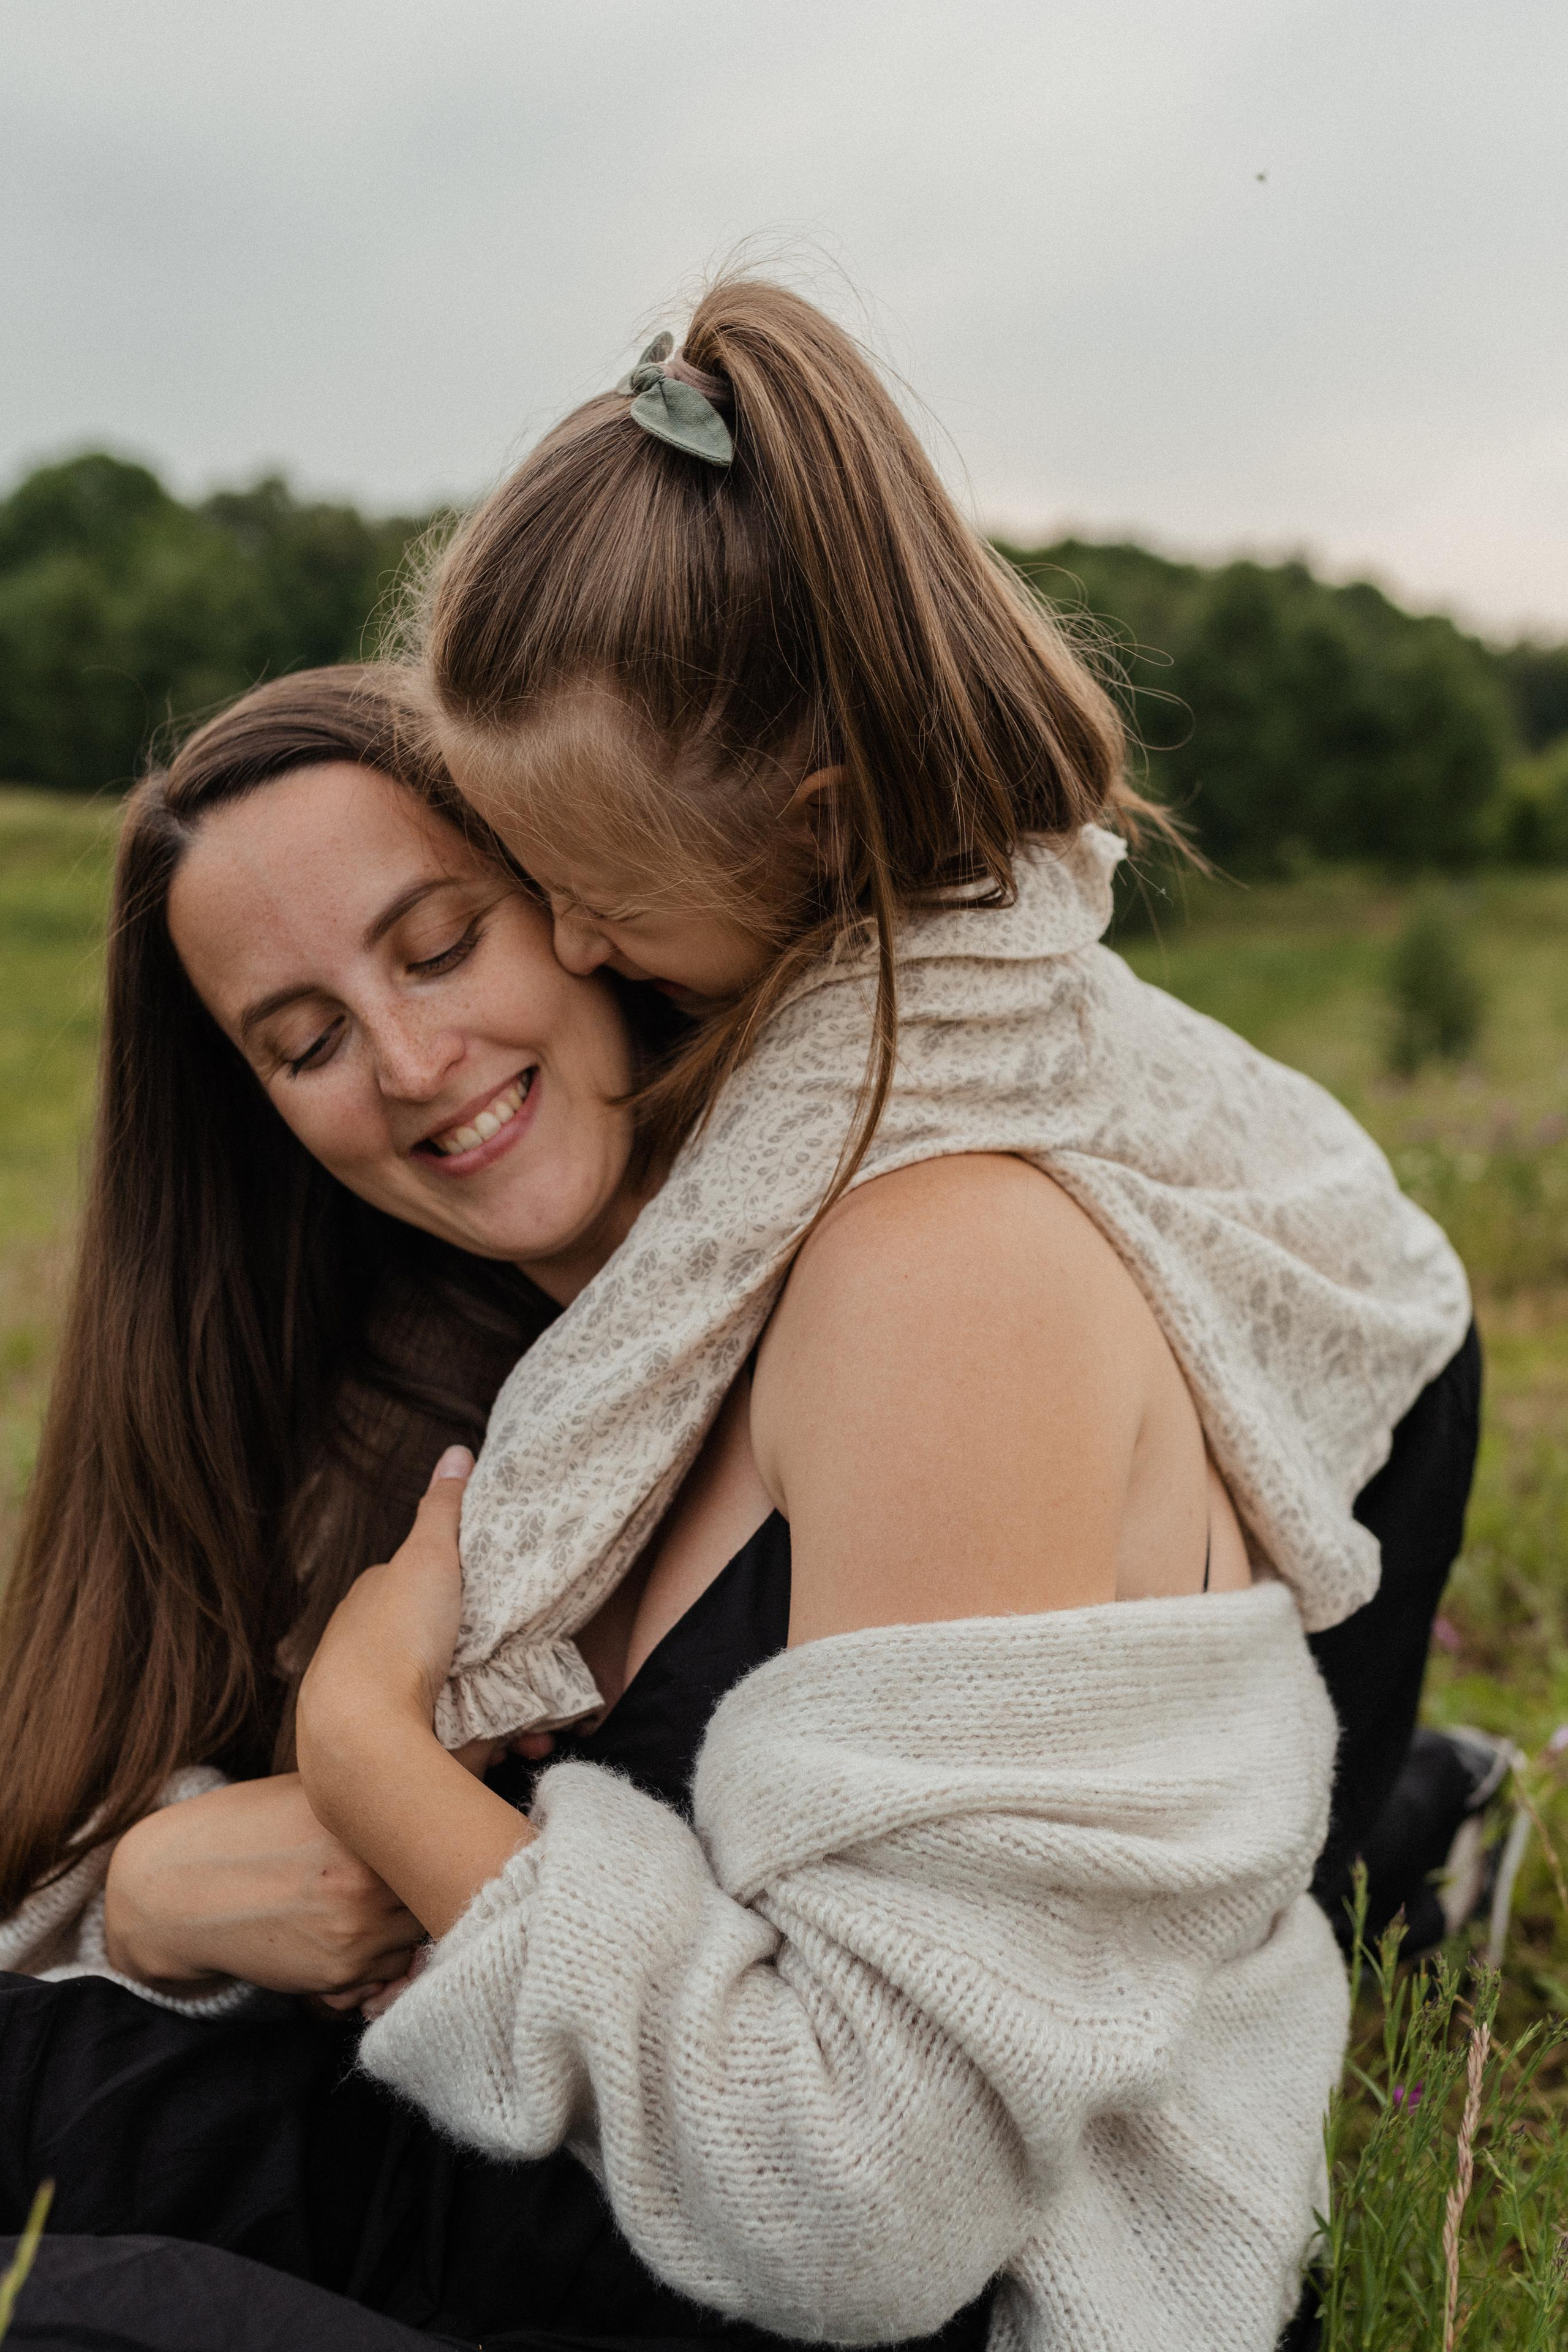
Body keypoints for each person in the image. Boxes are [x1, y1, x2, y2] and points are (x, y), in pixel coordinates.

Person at [1, 666, 1341, 2352]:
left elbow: (865, 2193)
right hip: (528, 2207)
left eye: (437, 945)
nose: (412, 1062)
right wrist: (143, 1895)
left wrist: (366, 1754)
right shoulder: (467, 1415)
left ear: (584, 908)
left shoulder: (920, 1278)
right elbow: (110, 1815)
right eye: (308, 1041)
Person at [409, 273, 1486, 1944]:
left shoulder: (917, 1028)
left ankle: (1427, 1831)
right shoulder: (841, 904)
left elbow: (664, 1324)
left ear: (823, 833)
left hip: (1373, 1349)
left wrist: (484, 1636)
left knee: (1270, 1887)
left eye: (597, 892)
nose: (568, 943)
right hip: (1272, 1273)